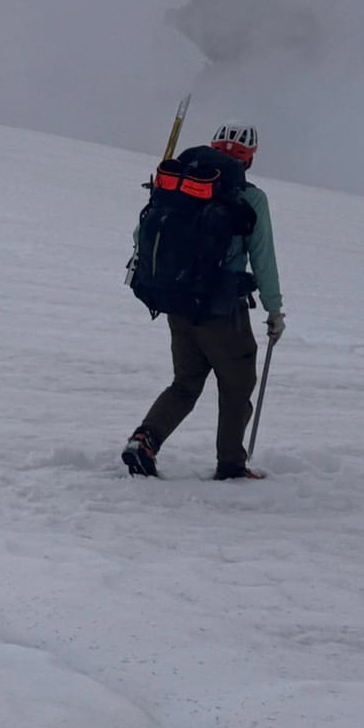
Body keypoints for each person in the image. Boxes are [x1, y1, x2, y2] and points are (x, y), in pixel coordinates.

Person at [122, 122, 285, 480]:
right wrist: (275, 309)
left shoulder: (178, 188)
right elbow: (262, 257)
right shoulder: (250, 198)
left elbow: (141, 232)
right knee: (237, 384)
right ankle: (231, 465)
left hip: (177, 300)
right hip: (223, 309)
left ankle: (144, 440)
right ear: (249, 159)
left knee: (185, 382)